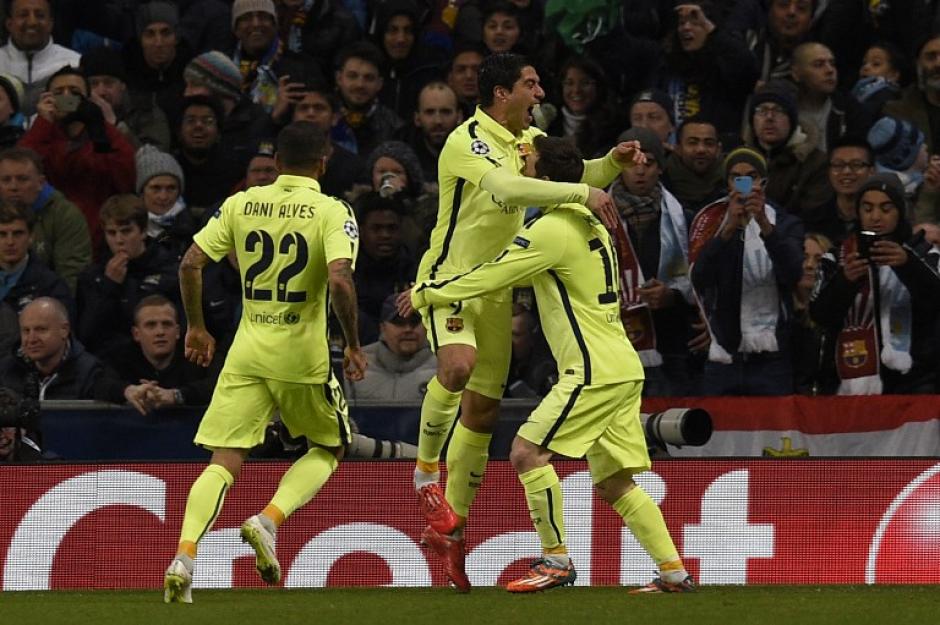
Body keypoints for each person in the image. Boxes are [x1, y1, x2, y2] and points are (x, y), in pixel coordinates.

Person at [404, 135, 694, 594]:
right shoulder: (589, 220)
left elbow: (493, 275)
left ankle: (556, 560)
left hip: (592, 370)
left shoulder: (550, 230)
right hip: (621, 365)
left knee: (526, 453)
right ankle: (673, 572)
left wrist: (428, 292)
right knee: (614, 482)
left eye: (529, 163)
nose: (523, 168)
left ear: (544, 177)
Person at [163, 121, 367, 604]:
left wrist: (196, 327)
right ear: (323, 163)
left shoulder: (242, 203)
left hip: (247, 350)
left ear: (276, 162)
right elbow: (340, 279)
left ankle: (184, 557)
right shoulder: (331, 210)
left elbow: (190, 262)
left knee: (224, 460)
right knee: (330, 446)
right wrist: (354, 343)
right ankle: (267, 520)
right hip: (301, 356)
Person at [810, 173, 940, 395]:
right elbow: (820, 315)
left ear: (900, 211)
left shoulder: (924, 253)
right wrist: (845, 281)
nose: (876, 217)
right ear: (858, 212)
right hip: (849, 380)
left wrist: (908, 265)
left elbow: (935, 302)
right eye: (867, 208)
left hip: (916, 381)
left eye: (886, 209)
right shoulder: (837, 257)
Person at [689, 147, 804, 396]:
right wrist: (727, 230)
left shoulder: (785, 222)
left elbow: (793, 272)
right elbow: (699, 277)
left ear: (764, 182)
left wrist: (764, 224)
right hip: (724, 354)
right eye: (736, 177)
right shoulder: (711, 221)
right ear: (727, 183)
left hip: (772, 356)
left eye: (751, 176)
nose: (744, 184)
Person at [609, 127, 705, 397]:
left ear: (660, 168)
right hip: (614, 342)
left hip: (672, 345)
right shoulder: (596, 216)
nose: (640, 171)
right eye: (631, 163)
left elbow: (699, 278)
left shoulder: (683, 219)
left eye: (649, 163)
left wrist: (672, 295)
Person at [19, 66, 137, 247]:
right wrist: (43, 122)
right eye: (59, 92)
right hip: (45, 234)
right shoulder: (42, 132)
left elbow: (124, 178)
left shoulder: (105, 133)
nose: (66, 97)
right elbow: (21, 169)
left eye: (74, 92)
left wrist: (98, 128)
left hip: (99, 234)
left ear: (88, 99)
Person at [0, 297, 151, 412]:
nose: (31, 339)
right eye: (26, 331)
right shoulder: (7, 370)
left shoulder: (88, 370)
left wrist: (127, 390)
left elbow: (106, 386)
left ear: (64, 330)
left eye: (41, 329)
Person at [76, 194, 181, 353]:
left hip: (157, 356)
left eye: (126, 231)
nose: (119, 240)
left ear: (143, 231)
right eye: (111, 233)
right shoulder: (92, 276)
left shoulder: (169, 269)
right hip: (109, 359)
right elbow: (86, 334)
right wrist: (109, 286)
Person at [99, 294, 218, 408]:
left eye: (167, 324)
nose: (160, 332)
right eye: (151, 325)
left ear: (177, 331)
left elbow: (219, 383)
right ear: (136, 334)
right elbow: (99, 383)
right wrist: (127, 390)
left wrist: (177, 395)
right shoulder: (120, 358)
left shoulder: (197, 357)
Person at [0, 147, 91, 293]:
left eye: (22, 179)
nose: (13, 187)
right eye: (6, 180)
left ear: (41, 183)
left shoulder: (65, 215)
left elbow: (72, 277)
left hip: (46, 298)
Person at [0, 201, 73, 354]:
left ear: (31, 237)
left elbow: (63, 342)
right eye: (2, 234)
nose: (10, 242)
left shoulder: (51, 286)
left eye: (18, 234)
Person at [347, 293, 435, 401]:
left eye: (414, 322)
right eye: (399, 323)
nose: (408, 329)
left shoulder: (445, 365)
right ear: (383, 328)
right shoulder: (355, 364)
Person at [0, 0, 80, 115]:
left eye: (40, 15)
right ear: (9, 24)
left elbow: (73, 113)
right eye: (23, 15)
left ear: (50, 24)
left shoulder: (74, 64)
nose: (32, 22)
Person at [802, 136, 875, 246]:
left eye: (856, 165)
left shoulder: (881, 220)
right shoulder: (809, 221)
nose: (846, 171)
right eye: (838, 165)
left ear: (872, 172)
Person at [663, 116, 725, 213]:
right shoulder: (662, 182)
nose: (701, 149)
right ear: (678, 148)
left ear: (718, 149)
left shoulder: (730, 182)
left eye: (709, 143)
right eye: (692, 143)